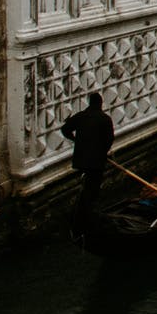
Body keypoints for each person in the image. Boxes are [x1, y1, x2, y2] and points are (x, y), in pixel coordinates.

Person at [60, 91, 114, 230]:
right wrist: (103, 152)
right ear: (100, 104)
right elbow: (109, 139)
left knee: (87, 186)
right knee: (93, 188)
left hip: (81, 159)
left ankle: (82, 214)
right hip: (96, 161)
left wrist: (75, 140)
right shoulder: (105, 119)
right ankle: (88, 215)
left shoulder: (80, 117)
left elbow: (65, 129)